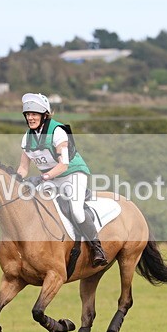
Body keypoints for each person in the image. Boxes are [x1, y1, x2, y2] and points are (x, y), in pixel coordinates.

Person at [16, 92, 108, 267]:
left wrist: (43, 177)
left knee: (76, 210)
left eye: (34, 114)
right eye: (28, 114)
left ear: (44, 115)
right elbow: (23, 168)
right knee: (35, 204)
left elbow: (63, 165)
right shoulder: (27, 137)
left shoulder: (57, 132)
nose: (30, 118)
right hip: (50, 179)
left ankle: (97, 248)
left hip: (73, 174)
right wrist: (15, 180)